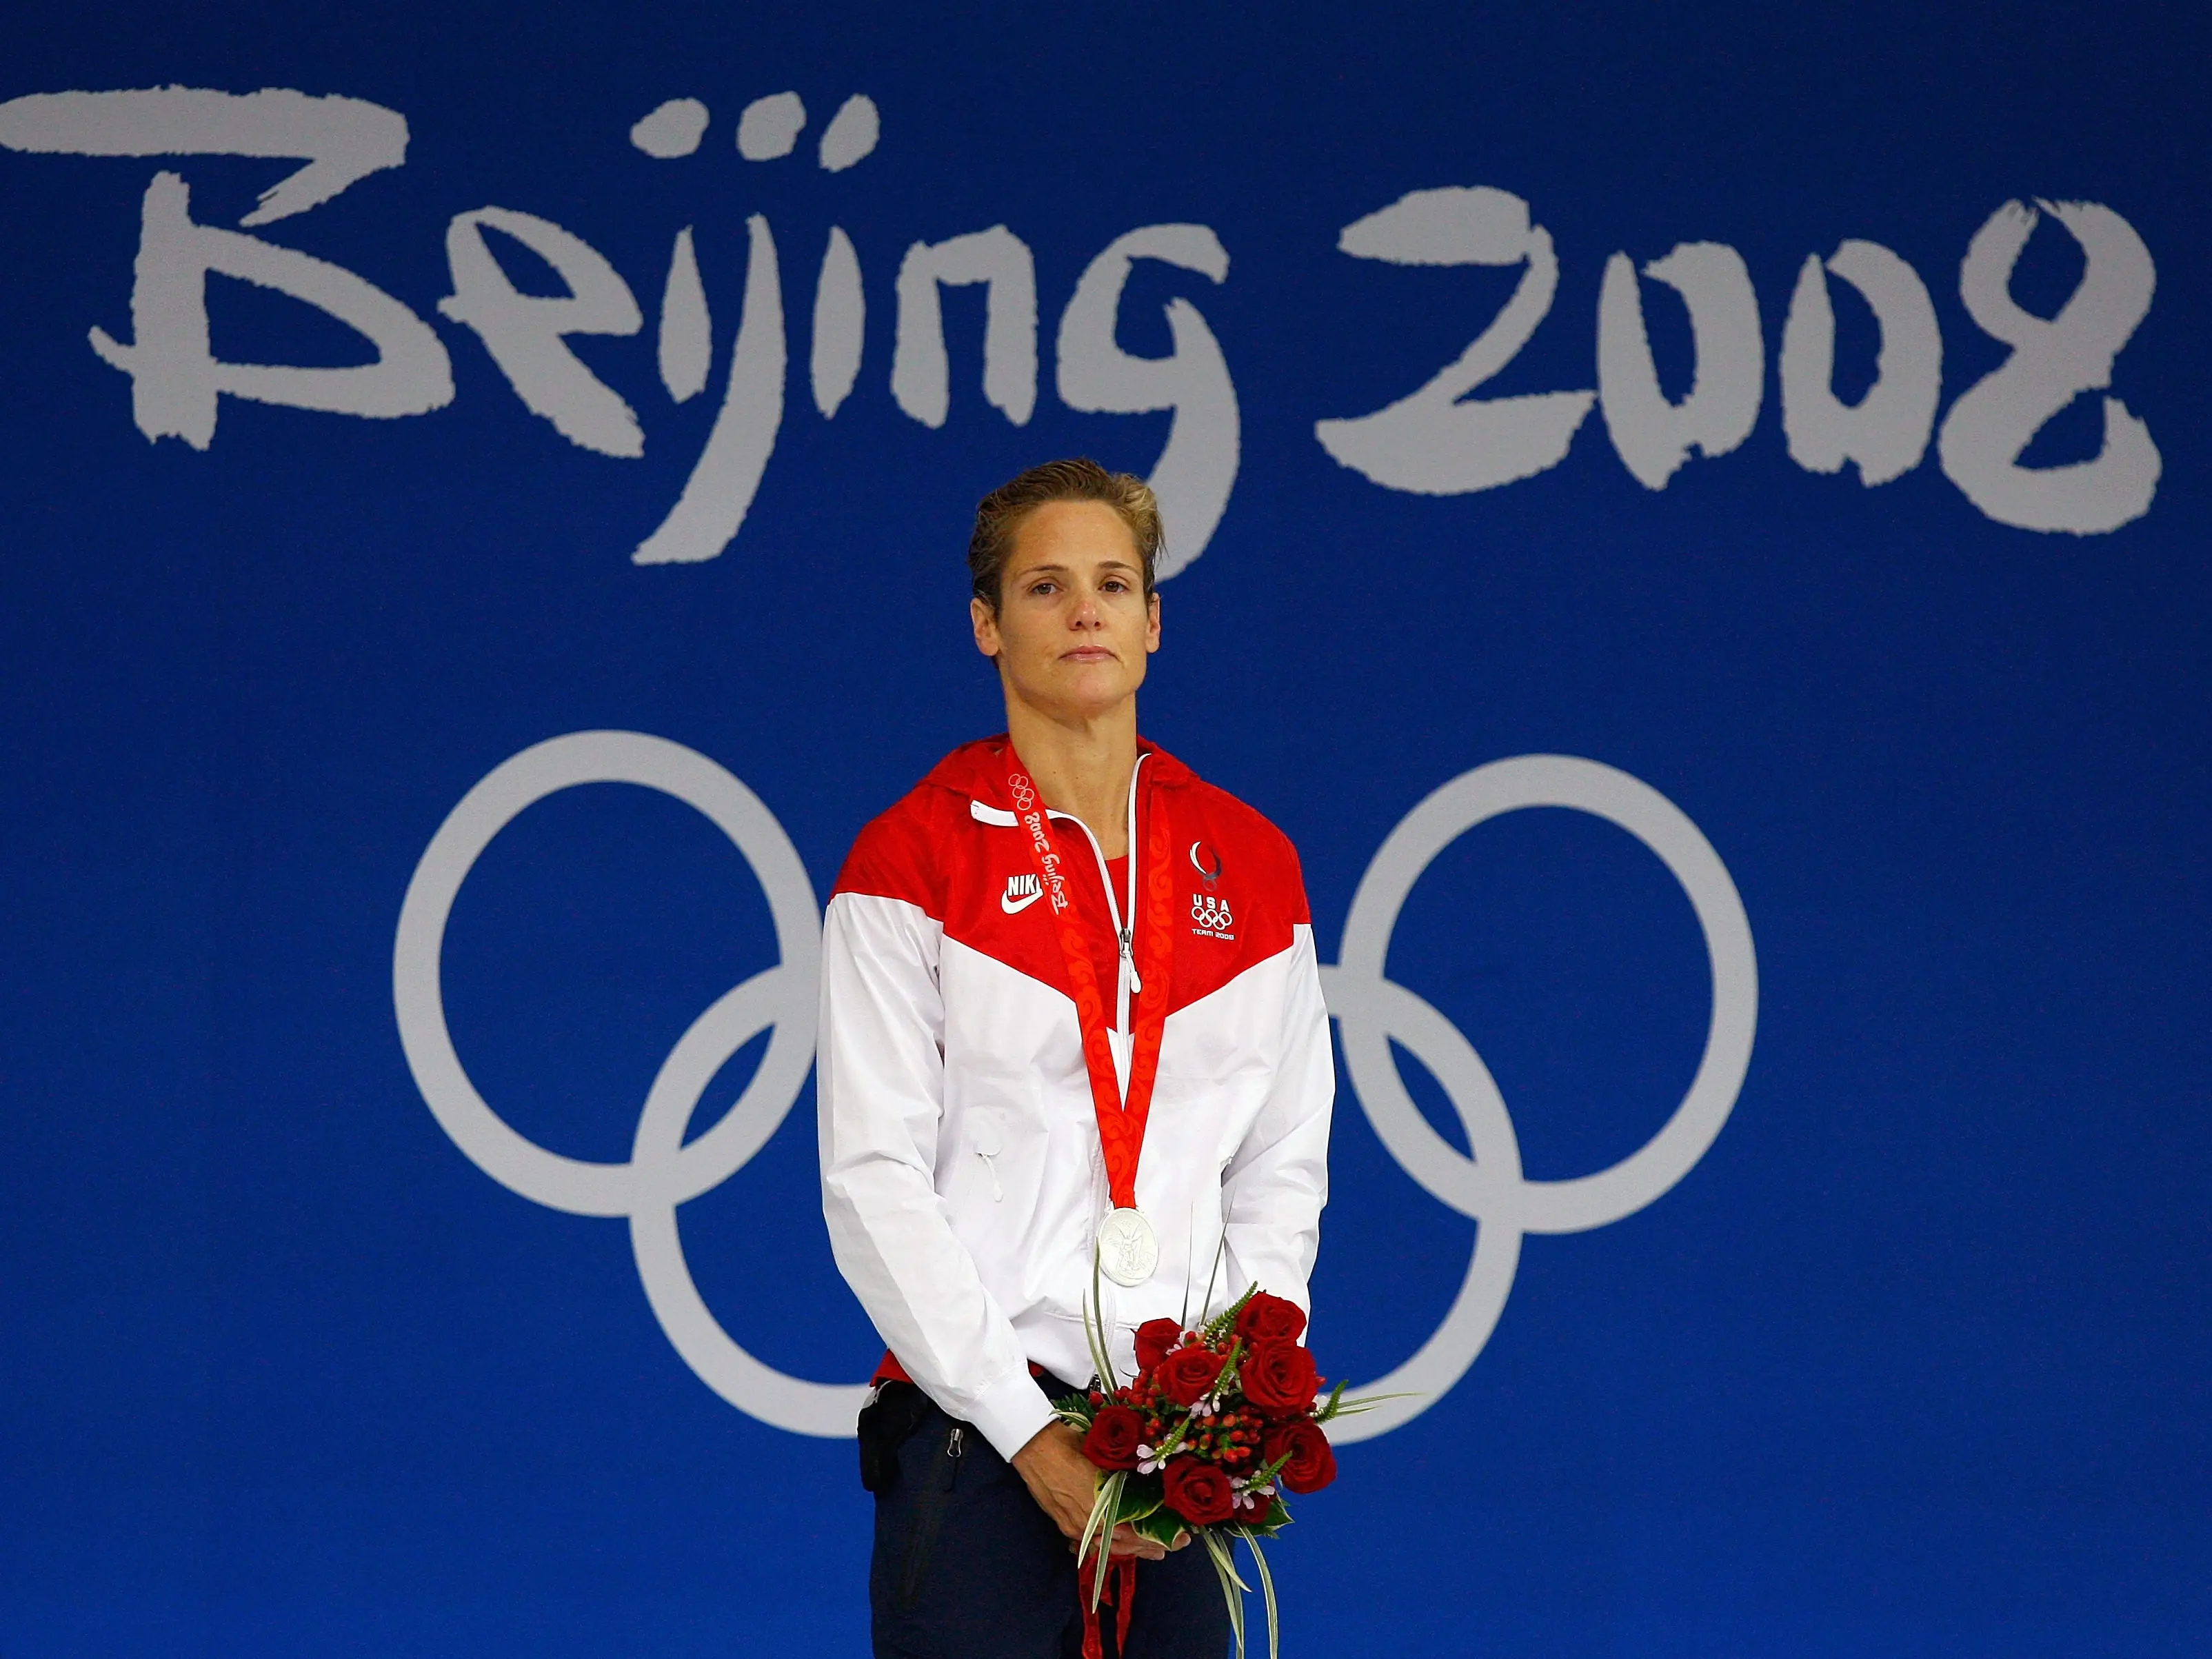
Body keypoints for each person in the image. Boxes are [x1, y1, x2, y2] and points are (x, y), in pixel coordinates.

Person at [818, 459, 1334, 1658]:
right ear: (987, 625)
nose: (1085, 610)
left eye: (1113, 582)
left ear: (1154, 621)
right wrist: (1028, 1434)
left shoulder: (1253, 867)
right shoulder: (910, 861)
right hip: (979, 1441)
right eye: (1045, 586)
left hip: (1181, 1461)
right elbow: (872, 1182)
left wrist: (1229, 1394)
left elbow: (1281, 1166)